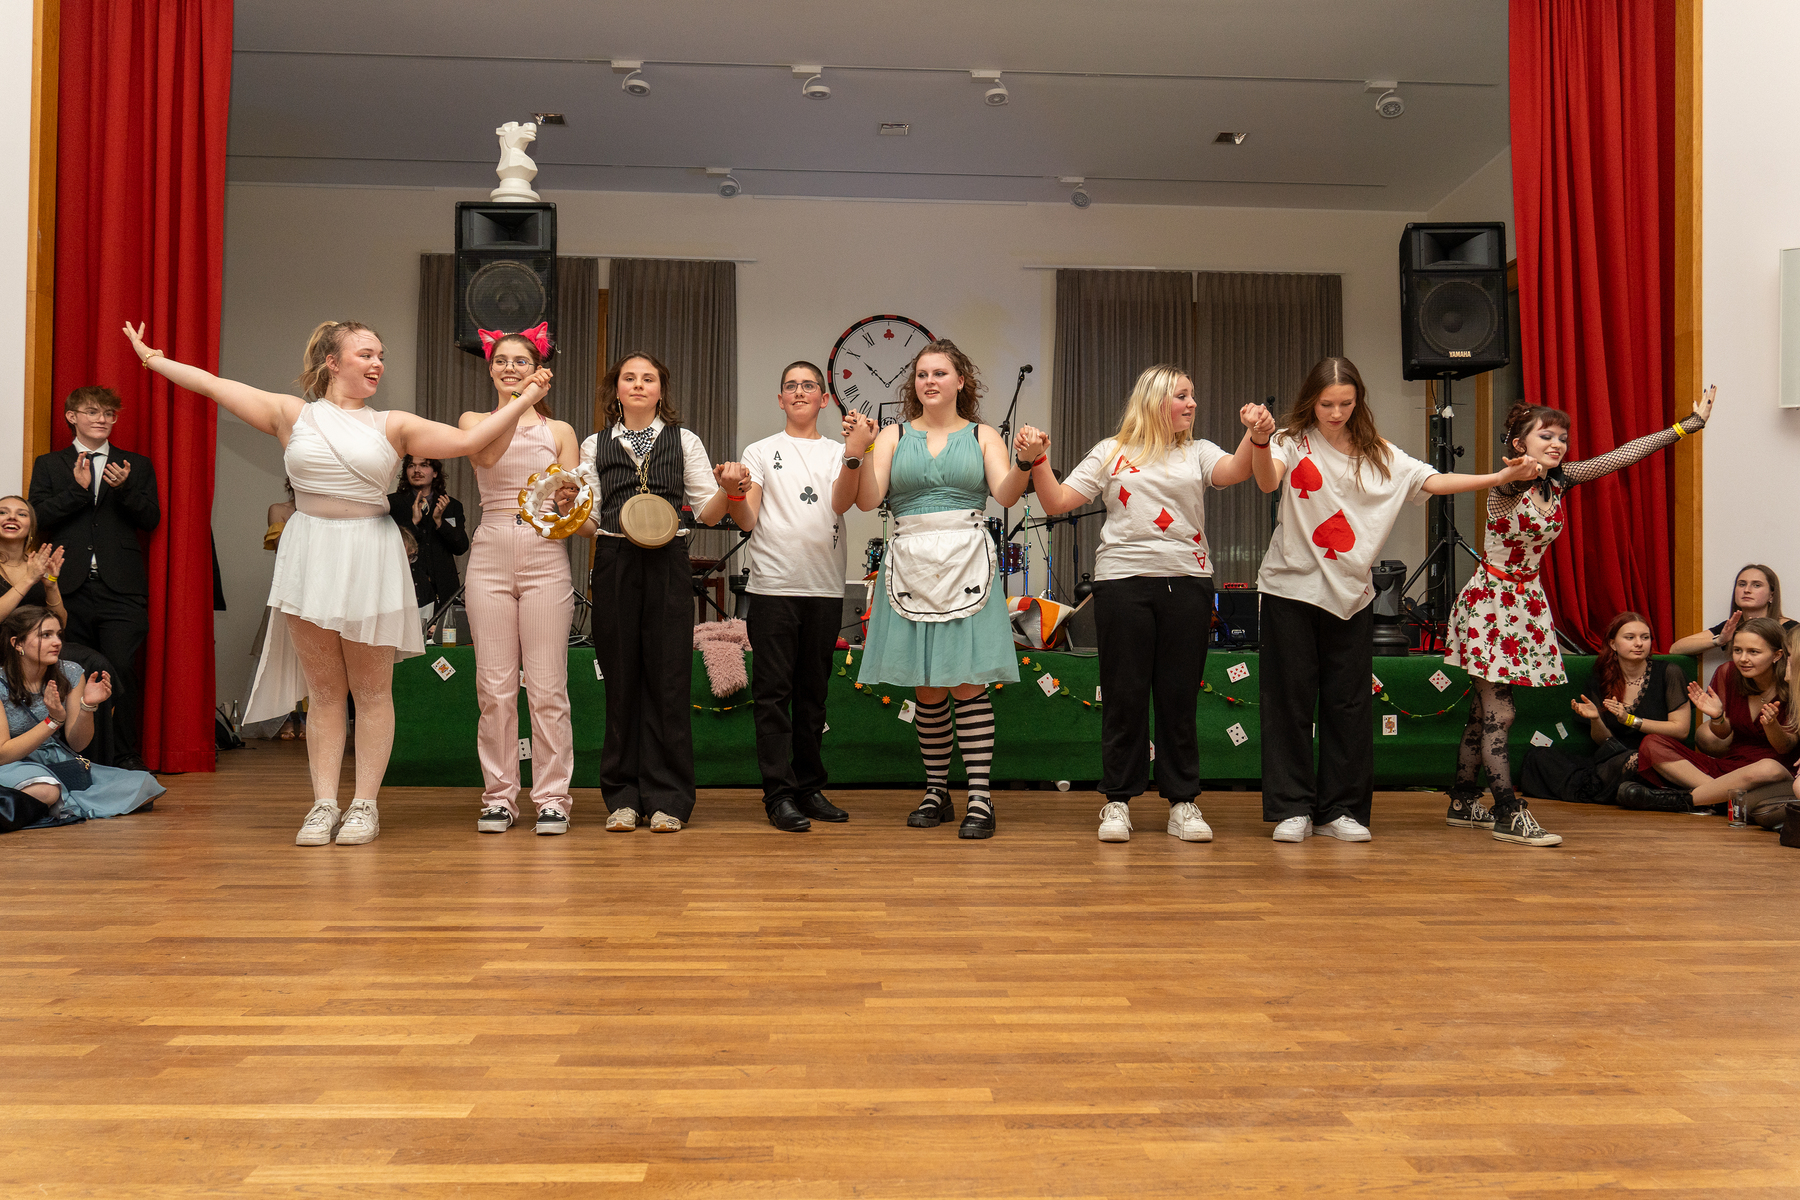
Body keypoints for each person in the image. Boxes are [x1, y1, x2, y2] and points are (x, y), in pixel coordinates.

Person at [123, 319, 550, 846]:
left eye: (381, 356)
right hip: (310, 552)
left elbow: (469, 441)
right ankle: (324, 803)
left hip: (369, 552)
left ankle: (365, 805)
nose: (377, 364)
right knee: (324, 692)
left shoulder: (392, 424)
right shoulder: (291, 414)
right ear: (332, 361)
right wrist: (152, 359)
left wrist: (524, 398)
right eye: (366, 354)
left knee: (371, 691)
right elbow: (212, 385)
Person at [1250, 356, 1539, 844]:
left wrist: (1495, 478)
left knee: (1348, 705)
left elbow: (1432, 481)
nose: (1336, 413)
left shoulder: (1379, 453)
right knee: (1289, 703)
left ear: (1358, 401)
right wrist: (1260, 440)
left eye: (1345, 403)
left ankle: (1341, 810)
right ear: (1311, 401)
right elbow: (1265, 481)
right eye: (1326, 404)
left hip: (1351, 595)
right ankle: (1292, 807)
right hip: (1289, 590)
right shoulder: (1290, 441)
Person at [1441, 388, 1716, 846]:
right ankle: (1507, 811)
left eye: (1562, 438)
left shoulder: (1558, 482)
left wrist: (1687, 426)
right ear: (1519, 444)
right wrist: (1516, 473)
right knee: (1500, 712)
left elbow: (1621, 456)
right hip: (1490, 604)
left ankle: (1463, 799)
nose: (1557, 444)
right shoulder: (1506, 488)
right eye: (1545, 436)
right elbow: (1510, 484)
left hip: (1524, 603)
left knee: (1483, 711)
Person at [1015, 365, 1269, 843]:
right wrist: (1038, 461)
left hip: (1188, 582)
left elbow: (1236, 471)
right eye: (1182, 396)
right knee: (1124, 695)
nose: (1192, 404)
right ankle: (1117, 801)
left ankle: (1183, 802)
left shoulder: (1198, 451)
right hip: (1122, 584)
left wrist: (1256, 437)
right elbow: (1057, 502)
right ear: (1155, 401)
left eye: (1192, 395)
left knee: (1178, 697)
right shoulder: (1110, 451)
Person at [851, 340, 1031, 840]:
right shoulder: (892, 436)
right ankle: (937, 792)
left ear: (960, 381)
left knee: (968, 683)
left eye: (940, 373)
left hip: (966, 562)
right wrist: (858, 452)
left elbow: (1006, 493)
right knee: (927, 687)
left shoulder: (983, 435)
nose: (929, 381)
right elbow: (868, 500)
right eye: (922, 374)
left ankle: (980, 797)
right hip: (910, 560)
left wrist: (1026, 461)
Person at [715, 361, 873, 833]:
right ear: (780, 399)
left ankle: (809, 788)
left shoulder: (840, 451)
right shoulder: (760, 451)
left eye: (809, 386)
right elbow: (748, 520)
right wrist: (733, 492)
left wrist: (855, 454)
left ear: (824, 399)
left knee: (813, 696)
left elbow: (842, 503)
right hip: (773, 588)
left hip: (824, 588)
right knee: (773, 696)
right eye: (791, 386)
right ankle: (778, 795)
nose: (800, 391)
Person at [580, 352, 729, 833]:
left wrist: (730, 490)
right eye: (629, 378)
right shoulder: (593, 444)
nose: (639, 385)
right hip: (614, 559)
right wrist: (564, 508)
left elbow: (708, 511)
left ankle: (669, 800)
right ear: (616, 389)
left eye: (649, 378)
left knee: (669, 680)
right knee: (621, 679)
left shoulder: (685, 441)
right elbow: (588, 520)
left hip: (668, 560)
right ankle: (622, 798)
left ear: (661, 389)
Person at [459, 326, 582, 836]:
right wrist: (524, 401)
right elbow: (486, 456)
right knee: (494, 688)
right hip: (489, 550)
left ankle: (552, 798)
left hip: (544, 552)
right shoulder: (473, 422)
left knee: (548, 686)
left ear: (538, 368)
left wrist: (568, 501)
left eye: (521, 361)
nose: (510, 368)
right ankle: (499, 797)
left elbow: (572, 505)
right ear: (490, 369)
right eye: (502, 361)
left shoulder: (561, 431)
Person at [27, 385, 160, 772]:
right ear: (72, 416)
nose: (102, 420)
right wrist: (77, 490)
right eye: (92, 412)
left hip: (121, 589)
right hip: (66, 589)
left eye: (109, 414)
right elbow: (38, 517)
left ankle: (124, 754)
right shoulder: (50, 464)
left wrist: (124, 489)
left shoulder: (135, 465)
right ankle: (74, 754)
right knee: (69, 670)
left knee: (120, 667)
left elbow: (150, 518)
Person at [0, 606, 162, 824]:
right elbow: (3, 754)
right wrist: (52, 721)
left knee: (145, 784)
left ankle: (61, 806)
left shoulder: (71, 672)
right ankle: (65, 803)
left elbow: (78, 744)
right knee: (46, 790)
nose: (57, 642)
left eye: (58, 634)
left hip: (57, 761)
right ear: (17, 643)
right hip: (13, 763)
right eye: (45, 635)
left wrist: (87, 706)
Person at [1620, 616, 1795, 810]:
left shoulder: (1793, 682)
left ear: (1777, 655)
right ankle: (1717, 797)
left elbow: (1785, 748)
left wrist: (1772, 726)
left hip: (1772, 773)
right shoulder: (1728, 672)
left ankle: (1691, 799)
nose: (1743, 658)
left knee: (1768, 767)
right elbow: (1722, 734)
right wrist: (1717, 717)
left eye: (1753, 652)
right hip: (1730, 767)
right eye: (1738, 650)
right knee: (1652, 743)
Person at [1518, 611, 1691, 806]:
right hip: (1614, 759)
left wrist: (1630, 720)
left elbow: (1681, 730)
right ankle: (1623, 791)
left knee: (1634, 760)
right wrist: (1595, 719)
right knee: (1539, 756)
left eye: (1645, 637)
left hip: (1656, 759)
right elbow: (1604, 741)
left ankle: (1627, 791)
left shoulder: (1669, 672)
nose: (1639, 643)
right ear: (1613, 644)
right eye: (1630, 637)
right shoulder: (1602, 678)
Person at [387, 455, 467, 616]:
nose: (417, 470)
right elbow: (386, 547)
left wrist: (440, 522)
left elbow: (461, 547)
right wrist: (413, 523)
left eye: (423, 465)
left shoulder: (452, 505)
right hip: (406, 587)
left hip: (444, 590)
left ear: (435, 472)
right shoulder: (392, 504)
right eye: (411, 466)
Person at [1667, 564, 1795, 658]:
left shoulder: (1790, 628)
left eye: (1756, 585)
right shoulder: (1731, 627)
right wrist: (1719, 640)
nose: (1747, 590)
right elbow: (1675, 649)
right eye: (1742, 584)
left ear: (1772, 595)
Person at [0, 495, 67, 628]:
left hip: (34, 640)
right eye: (2, 512)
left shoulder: (39, 565)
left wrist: (51, 585)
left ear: (31, 527)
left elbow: (61, 625)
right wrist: (29, 579)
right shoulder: (34, 571)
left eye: (22, 514)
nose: (12, 517)